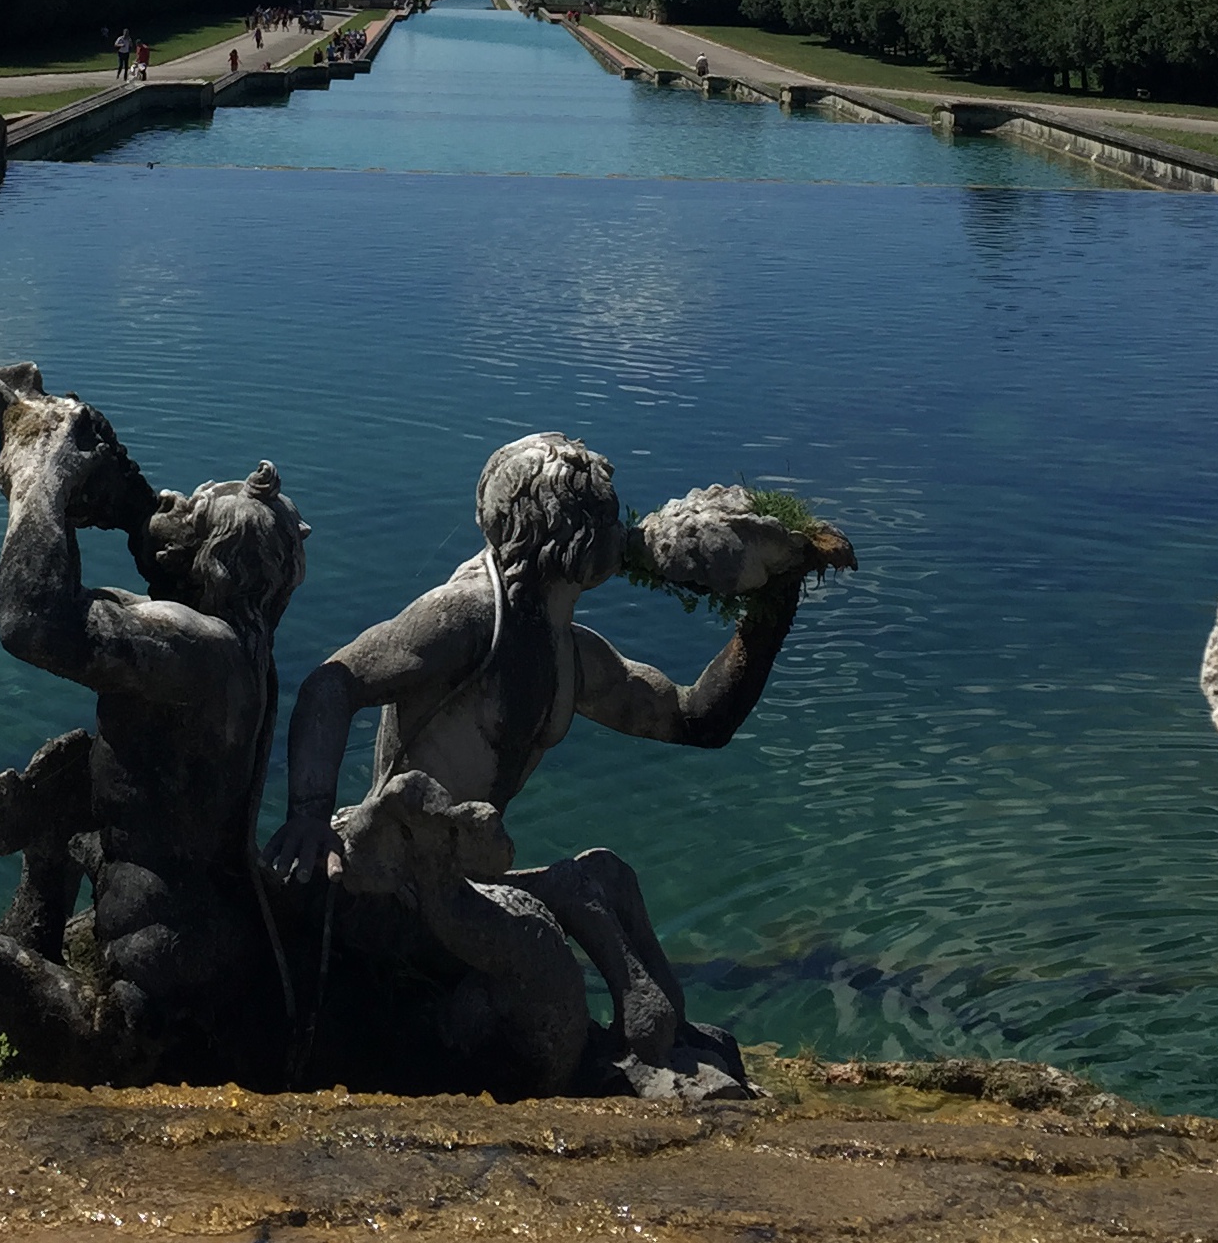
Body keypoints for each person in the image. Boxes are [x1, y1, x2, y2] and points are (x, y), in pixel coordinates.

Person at [269, 430, 850, 1103]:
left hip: (459, 878)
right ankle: (622, 1063)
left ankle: (661, 1045)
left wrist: (773, 603)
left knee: (606, 875)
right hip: (390, 885)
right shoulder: (465, 618)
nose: (621, 527)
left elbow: (696, 719)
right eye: (604, 515)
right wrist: (310, 813)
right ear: (560, 533)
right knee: (563, 911)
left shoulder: (571, 653)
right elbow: (333, 682)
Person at [0, 365, 308, 1089]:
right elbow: (121, 591)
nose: (169, 500)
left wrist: (45, 475)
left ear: (210, 560)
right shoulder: (235, 647)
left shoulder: (197, 652)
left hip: (157, 1002)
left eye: (191, 508)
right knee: (60, 814)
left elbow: (31, 620)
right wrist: (124, 500)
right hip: (191, 956)